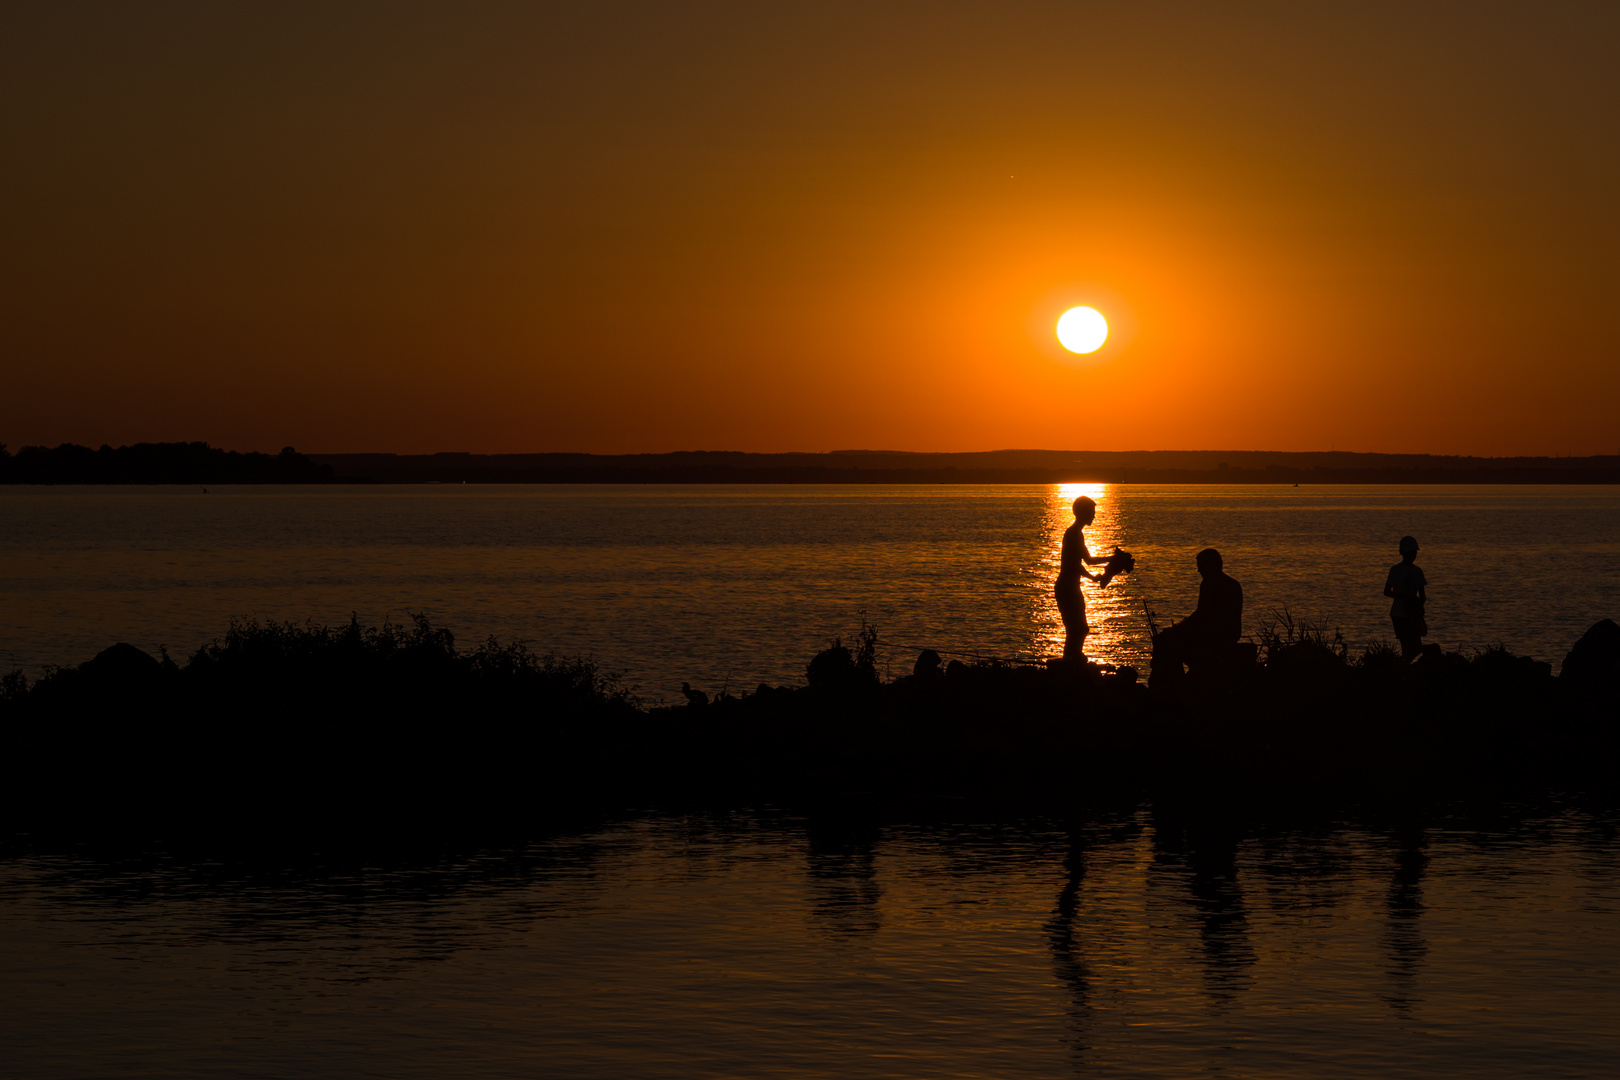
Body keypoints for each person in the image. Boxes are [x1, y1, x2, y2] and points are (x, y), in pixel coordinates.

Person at [1151, 548, 1243, 687]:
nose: (1198, 571)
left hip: (1216, 635)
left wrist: (1177, 630)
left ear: (1212, 564)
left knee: (1167, 642)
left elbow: (1202, 615)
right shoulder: (1233, 583)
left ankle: (1174, 685)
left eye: (1201, 565)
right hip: (1230, 634)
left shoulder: (1210, 583)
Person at [1055, 496, 1111, 660]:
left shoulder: (1075, 533)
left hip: (1071, 586)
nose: (1094, 516)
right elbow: (1087, 561)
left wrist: (1092, 577)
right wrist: (1112, 559)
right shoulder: (1074, 534)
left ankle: (1074, 659)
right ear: (1083, 512)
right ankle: (1072, 662)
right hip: (1067, 588)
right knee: (1077, 628)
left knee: (1079, 628)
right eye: (1092, 512)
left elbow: (1081, 562)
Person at [1384, 535, 1428, 661]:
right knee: (1407, 648)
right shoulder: (1395, 570)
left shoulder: (1418, 571)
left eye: (1414, 553)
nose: (1412, 556)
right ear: (1402, 553)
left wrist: (1417, 607)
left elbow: (1423, 596)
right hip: (1398, 614)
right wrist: (1403, 596)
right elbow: (1386, 591)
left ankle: (1400, 669)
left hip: (1412, 614)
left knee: (1417, 648)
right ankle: (1401, 670)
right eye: (1410, 553)